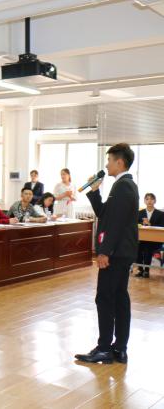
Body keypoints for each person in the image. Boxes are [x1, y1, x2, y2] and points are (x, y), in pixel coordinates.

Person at [75, 143, 138, 365]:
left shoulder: (123, 186)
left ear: (119, 162)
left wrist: (104, 252)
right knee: (119, 297)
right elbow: (105, 214)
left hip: (116, 253)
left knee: (105, 298)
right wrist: (94, 191)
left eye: (109, 160)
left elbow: (116, 224)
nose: (106, 164)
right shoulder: (123, 185)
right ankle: (119, 348)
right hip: (121, 252)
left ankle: (104, 349)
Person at [135, 193, 164, 278]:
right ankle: (140, 269)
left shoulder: (160, 214)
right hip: (141, 239)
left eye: (151, 199)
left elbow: (162, 226)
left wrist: (150, 224)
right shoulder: (139, 213)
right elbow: (136, 225)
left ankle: (146, 271)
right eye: (147, 199)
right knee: (137, 247)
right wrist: (142, 224)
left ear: (155, 201)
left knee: (148, 247)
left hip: (154, 240)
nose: (149, 201)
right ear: (144, 201)